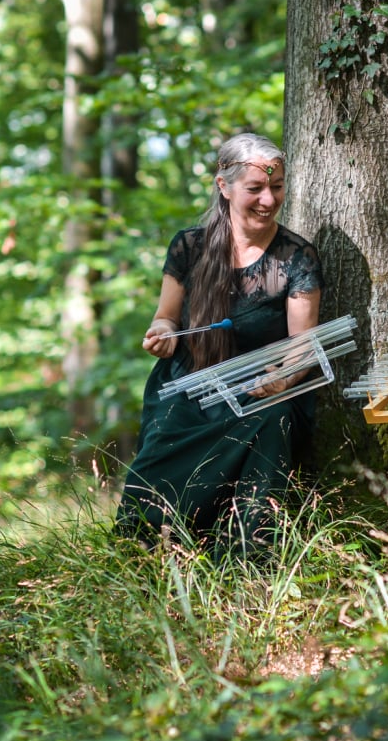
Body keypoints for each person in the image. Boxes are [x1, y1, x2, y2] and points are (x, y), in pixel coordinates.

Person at [115, 132, 324, 556]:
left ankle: (248, 554)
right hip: (188, 385)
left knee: (274, 420)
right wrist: (162, 333)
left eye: (277, 187)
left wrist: (284, 379)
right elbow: (166, 316)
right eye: (256, 188)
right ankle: (148, 550)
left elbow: (304, 345)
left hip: (258, 392)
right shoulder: (188, 247)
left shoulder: (298, 257)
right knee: (163, 441)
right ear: (224, 186)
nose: (268, 199)